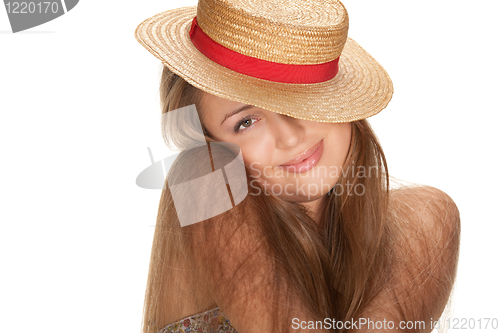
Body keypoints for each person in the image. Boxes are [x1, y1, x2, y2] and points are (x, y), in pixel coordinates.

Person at [134, 0, 461, 332]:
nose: (290, 137)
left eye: (298, 94)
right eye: (246, 121)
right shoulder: (205, 177)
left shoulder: (425, 217)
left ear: (338, 96)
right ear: (207, 139)